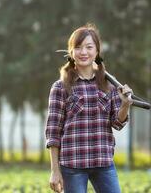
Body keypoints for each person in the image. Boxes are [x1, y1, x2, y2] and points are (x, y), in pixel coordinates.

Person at [45, 23, 133, 193]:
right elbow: (53, 132)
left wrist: (125, 104)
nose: (83, 52)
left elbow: (117, 123)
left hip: (103, 161)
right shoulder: (60, 87)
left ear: (97, 51)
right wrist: (55, 171)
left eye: (89, 47)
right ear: (71, 52)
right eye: (78, 47)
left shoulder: (109, 85)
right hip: (72, 164)